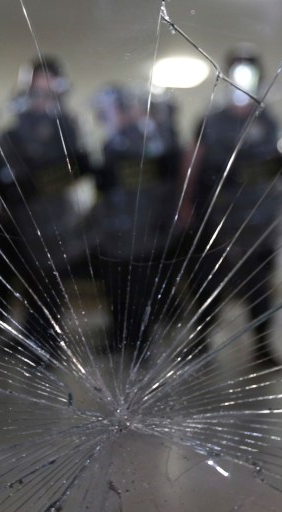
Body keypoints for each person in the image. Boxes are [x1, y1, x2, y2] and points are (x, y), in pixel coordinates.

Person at [182, 46, 282, 366]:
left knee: (258, 285)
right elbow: (194, 162)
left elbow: (280, 164)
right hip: (217, 216)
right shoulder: (211, 121)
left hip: (258, 219)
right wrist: (185, 203)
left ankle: (261, 345)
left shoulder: (268, 121)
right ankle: (201, 340)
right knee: (208, 282)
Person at [0, 55, 92, 366]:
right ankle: (30, 334)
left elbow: (76, 166)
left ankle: (47, 341)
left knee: (51, 280)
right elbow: (2, 164)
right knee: (31, 279)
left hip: (55, 216)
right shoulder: (16, 127)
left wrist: (39, 182)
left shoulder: (68, 126)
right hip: (21, 218)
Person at [93, 85, 181, 355]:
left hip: (144, 228)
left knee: (141, 288)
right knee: (118, 288)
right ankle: (120, 337)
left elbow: (165, 181)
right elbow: (107, 185)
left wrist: (164, 217)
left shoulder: (152, 141)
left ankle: (140, 341)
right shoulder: (112, 143)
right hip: (115, 230)